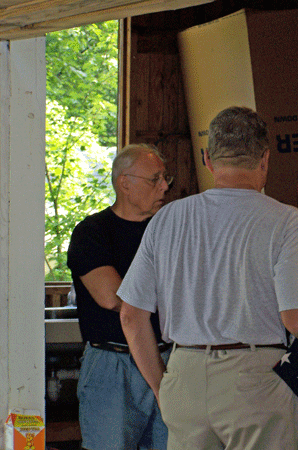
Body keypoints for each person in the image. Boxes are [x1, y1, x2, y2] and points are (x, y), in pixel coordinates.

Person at [117, 106, 298, 450]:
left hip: (183, 373)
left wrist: (163, 388)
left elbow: (130, 315)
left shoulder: (167, 219)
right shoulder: (287, 223)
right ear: (264, 159)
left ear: (208, 159)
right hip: (254, 380)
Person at [67, 143, 173, 450]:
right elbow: (112, 297)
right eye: (155, 178)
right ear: (124, 182)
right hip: (112, 365)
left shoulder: (168, 230)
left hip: (169, 357)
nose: (164, 186)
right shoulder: (92, 232)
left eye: (166, 178)